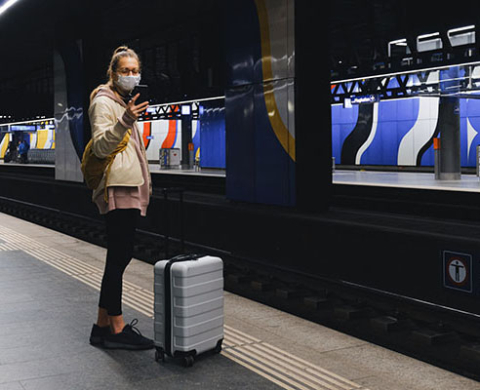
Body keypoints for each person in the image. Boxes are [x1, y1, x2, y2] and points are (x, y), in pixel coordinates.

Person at [86, 45, 153, 350]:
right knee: (119, 257)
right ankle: (117, 326)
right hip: (118, 189)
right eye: (124, 71)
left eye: (134, 71)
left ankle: (101, 327)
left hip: (127, 186)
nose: (131, 76)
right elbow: (101, 147)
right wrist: (125, 120)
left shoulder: (120, 101)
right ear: (112, 73)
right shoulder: (104, 101)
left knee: (119, 256)